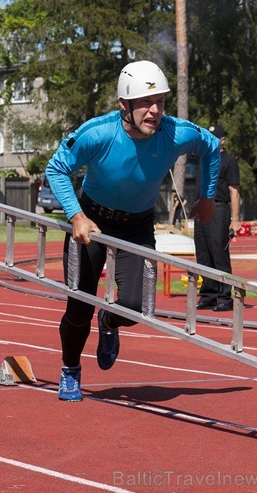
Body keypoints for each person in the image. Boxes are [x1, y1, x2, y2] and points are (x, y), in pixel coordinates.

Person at [45, 60, 220, 402]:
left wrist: (208, 197)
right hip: (92, 220)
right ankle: (70, 370)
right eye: (144, 102)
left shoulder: (176, 132)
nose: (155, 111)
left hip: (137, 225)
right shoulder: (98, 133)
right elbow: (57, 167)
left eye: (161, 102)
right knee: (79, 305)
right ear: (124, 105)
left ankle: (109, 323)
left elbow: (211, 146)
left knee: (137, 307)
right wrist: (76, 215)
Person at [193, 125, 241, 312]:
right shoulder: (204, 159)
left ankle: (224, 296)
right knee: (203, 253)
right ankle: (208, 294)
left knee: (218, 252)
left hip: (218, 208)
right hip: (200, 208)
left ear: (222, 140)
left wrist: (235, 219)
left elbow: (234, 191)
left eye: (215, 138)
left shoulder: (229, 161)